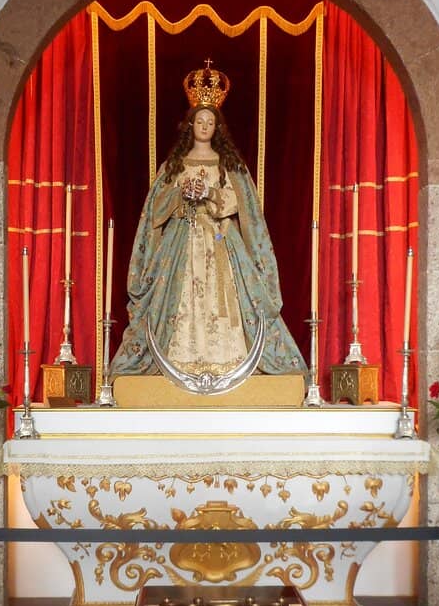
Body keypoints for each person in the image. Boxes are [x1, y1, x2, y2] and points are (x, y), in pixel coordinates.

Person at [109, 63, 307, 382]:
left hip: (221, 243)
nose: (204, 126)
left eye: (209, 121)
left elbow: (244, 207)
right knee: (181, 300)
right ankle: (179, 360)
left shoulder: (231, 164)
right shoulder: (174, 165)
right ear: (190, 125)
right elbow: (154, 210)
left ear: (217, 127)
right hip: (181, 245)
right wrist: (180, 193)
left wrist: (212, 194)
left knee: (226, 302)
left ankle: (227, 361)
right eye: (199, 121)